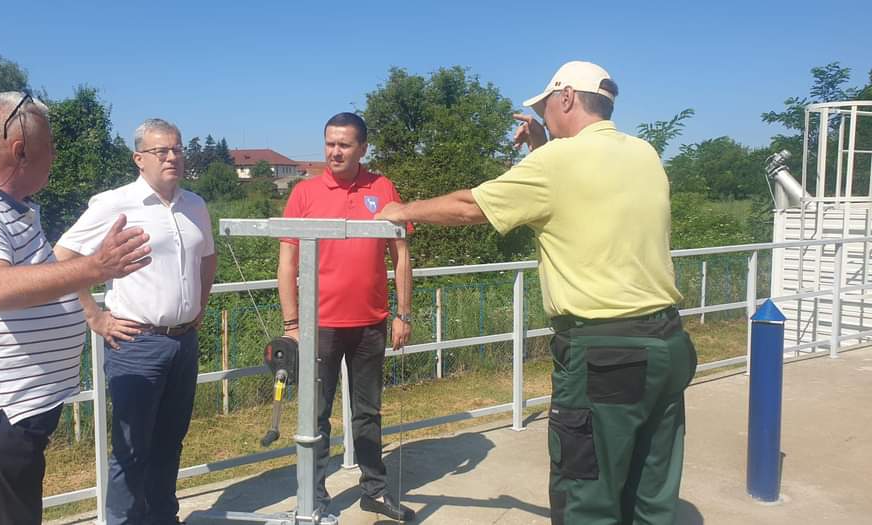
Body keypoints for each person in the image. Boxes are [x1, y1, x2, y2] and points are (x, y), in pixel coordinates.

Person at [376, 61, 697, 525]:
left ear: (566, 98)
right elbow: (581, 190)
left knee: (587, 496)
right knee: (650, 494)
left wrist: (401, 210)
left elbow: (469, 207)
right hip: (667, 345)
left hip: (605, 356)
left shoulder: (555, 162)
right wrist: (543, 145)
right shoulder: (644, 154)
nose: (543, 116)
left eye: (546, 106)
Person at [0, 91, 150, 525]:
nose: (55, 155)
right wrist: (96, 267)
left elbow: (39, 282)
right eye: (50, 145)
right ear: (20, 150)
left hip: (13, 408)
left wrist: (86, 299)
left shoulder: (9, 210)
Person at [54, 118, 217, 525]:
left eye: (177, 149)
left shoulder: (195, 205)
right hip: (136, 344)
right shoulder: (116, 204)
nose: (172, 157)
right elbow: (63, 257)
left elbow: (207, 257)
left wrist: (200, 305)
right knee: (131, 449)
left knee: (170, 442)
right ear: (139, 158)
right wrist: (94, 315)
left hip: (183, 342)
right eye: (161, 151)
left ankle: (163, 517)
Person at [277, 112, 416, 521]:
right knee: (315, 414)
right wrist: (292, 324)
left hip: (371, 323)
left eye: (344, 144)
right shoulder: (304, 193)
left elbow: (401, 255)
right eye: (330, 143)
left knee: (368, 412)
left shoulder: (383, 188)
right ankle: (314, 498)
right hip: (318, 326)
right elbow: (286, 262)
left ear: (362, 149)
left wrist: (403, 313)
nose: (335, 152)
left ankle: (375, 490)